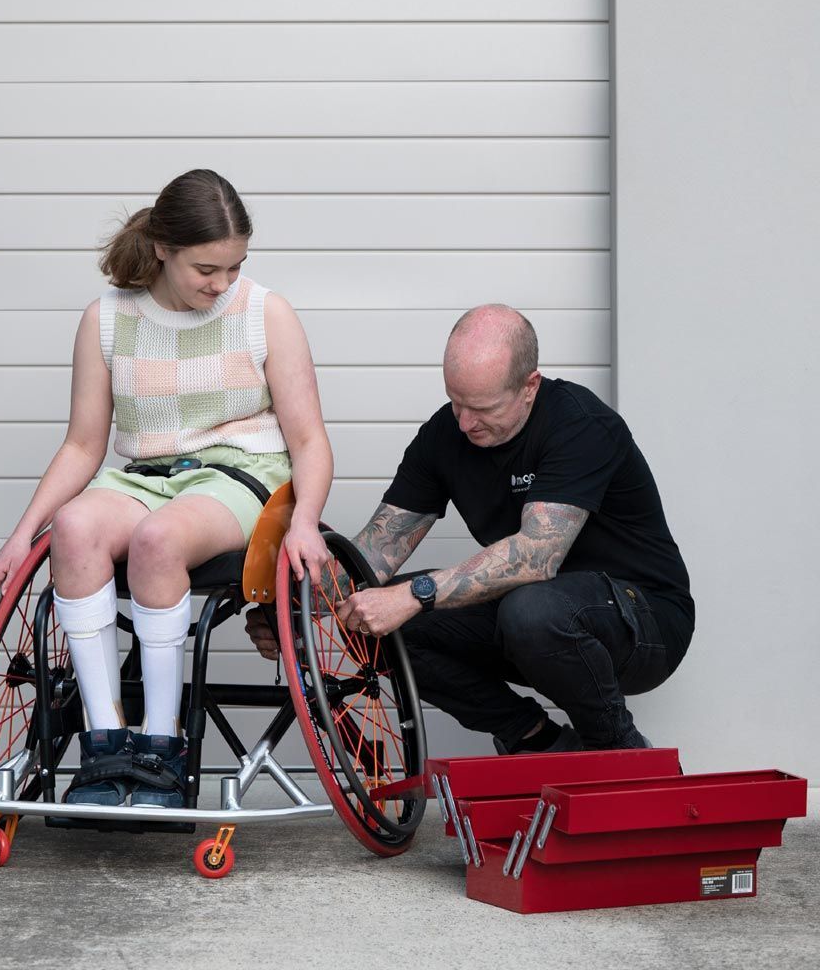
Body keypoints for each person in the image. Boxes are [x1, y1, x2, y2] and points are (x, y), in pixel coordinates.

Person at [0, 169, 333, 807]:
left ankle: (161, 746)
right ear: (161, 250)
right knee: (74, 527)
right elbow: (83, 445)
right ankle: (104, 742)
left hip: (240, 474)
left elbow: (310, 440)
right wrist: (20, 535)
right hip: (146, 477)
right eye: (206, 268)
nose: (221, 283)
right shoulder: (108, 319)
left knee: (157, 540)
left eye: (234, 267)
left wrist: (307, 519)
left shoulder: (264, 313)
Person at [248, 304, 693, 754]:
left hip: (643, 621)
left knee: (526, 608)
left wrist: (414, 595)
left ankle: (620, 750)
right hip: (531, 619)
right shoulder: (445, 435)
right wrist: (294, 614)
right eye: (455, 402)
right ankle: (535, 739)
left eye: (482, 408)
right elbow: (375, 553)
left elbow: (536, 556)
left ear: (529, 386)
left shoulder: (578, 424)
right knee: (377, 619)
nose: (465, 422)